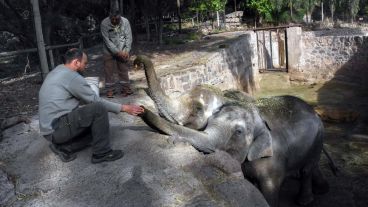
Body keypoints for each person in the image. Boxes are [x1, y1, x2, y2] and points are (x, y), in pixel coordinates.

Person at [38, 48, 144, 163]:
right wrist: (124, 108)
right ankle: (102, 153)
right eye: (85, 63)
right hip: (57, 128)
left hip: (50, 131)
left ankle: (64, 147)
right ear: (76, 62)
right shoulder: (72, 77)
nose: (86, 66)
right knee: (99, 108)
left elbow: (82, 100)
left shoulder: (58, 70)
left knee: (98, 130)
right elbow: (95, 102)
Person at [101, 9, 133, 98]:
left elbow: (128, 37)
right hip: (108, 50)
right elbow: (107, 41)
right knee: (109, 71)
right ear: (109, 17)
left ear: (120, 17)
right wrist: (117, 52)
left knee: (123, 69)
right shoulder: (104, 23)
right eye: (112, 19)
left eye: (117, 19)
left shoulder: (125, 22)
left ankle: (126, 88)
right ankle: (110, 90)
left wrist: (127, 51)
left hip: (123, 49)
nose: (114, 21)